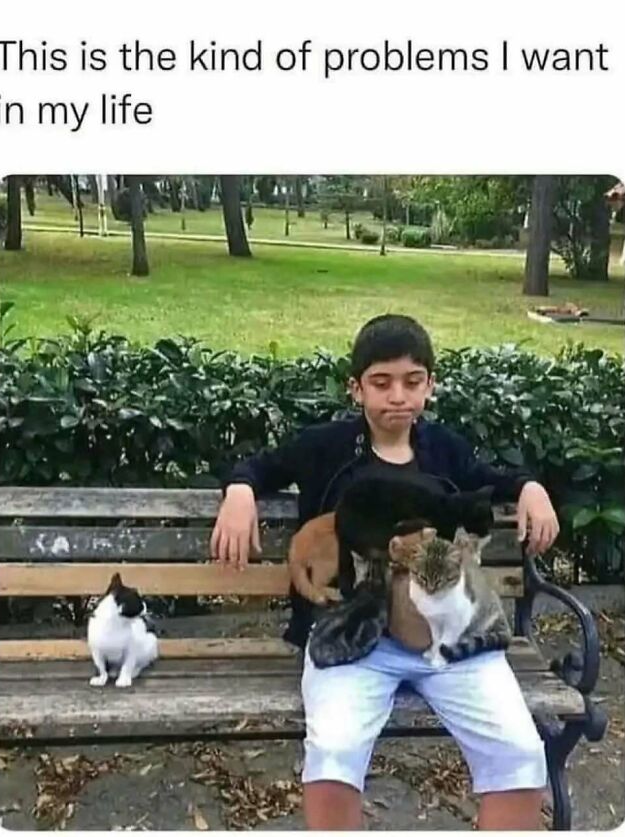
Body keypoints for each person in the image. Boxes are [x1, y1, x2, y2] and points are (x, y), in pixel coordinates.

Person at [210, 314, 559, 830]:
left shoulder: (444, 449)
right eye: (381, 382)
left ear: (430, 385)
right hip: (352, 637)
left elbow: (493, 478)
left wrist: (531, 488)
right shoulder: (325, 446)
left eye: (412, 382)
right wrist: (240, 491)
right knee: (334, 751)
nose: (398, 396)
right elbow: (259, 466)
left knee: (520, 753)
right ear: (356, 389)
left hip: (450, 636)